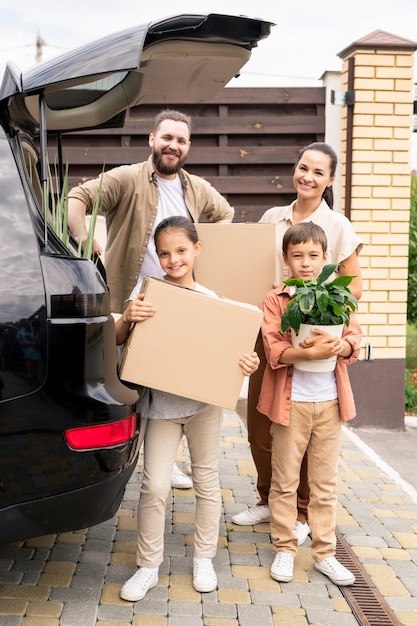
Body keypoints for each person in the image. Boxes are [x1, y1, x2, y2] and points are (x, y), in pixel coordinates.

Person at [67, 108, 234, 489]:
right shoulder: (128, 178)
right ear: (152, 140)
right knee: (127, 385)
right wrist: (82, 237)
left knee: (169, 382)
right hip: (131, 302)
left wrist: (207, 255)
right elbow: (77, 197)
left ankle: (162, 458)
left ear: (188, 146)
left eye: (181, 140)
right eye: (167, 137)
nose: (173, 145)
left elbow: (226, 215)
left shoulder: (196, 188)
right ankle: (120, 456)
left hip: (178, 304)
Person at [115, 216, 260, 602]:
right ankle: (148, 566)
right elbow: (116, 338)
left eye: (180, 250)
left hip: (201, 408)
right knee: (155, 485)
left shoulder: (211, 302)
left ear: (197, 249)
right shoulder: (147, 293)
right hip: (160, 407)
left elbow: (232, 353)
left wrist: (247, 364)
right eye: (164, 253)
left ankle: (204, 558)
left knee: (207, 483)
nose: (173, 259)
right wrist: (128, 318)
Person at [232, 142, 363, 541]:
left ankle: (303, 513)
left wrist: (314, 303)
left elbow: (353, 286)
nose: (308, 176)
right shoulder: (274, 216)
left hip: (309, 333)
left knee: (300, 426)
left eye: (318, 172)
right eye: (303, 167)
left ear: (330, 180)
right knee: (260, 423)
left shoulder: (338, 225)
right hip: (269, 329)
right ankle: (268, 498)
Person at [258, 221, 362, 586]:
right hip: (291, 404)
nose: (305, 263)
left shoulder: (337, 296)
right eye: (297, 255)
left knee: (324, 484)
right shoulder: (277, 298)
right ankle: (285, 549)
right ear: (285, 258)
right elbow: (273, 349)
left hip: (330, 403)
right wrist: (308, 353)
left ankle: (325, 554)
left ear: (326, 258)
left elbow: (353, 338)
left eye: (313, 255)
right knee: (284, 482)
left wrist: (342, 347)